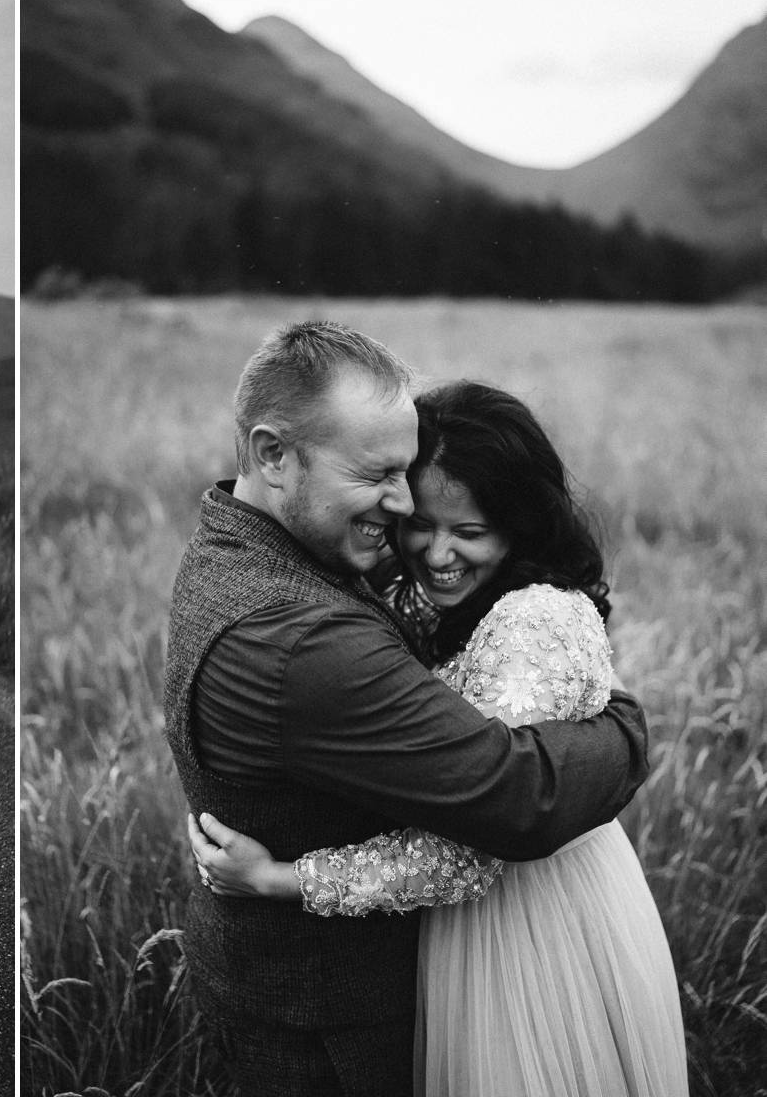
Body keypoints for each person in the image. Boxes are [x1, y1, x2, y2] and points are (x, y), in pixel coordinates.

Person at [162, 321, 651, 1096]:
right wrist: (627, 731)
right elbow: (517, 797)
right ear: (272, 454)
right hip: (331, 1025)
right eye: (380, 475)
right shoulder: (304, 644)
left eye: (407, 477)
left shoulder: (255, 545)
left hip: (459, 950)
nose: (401, 509)